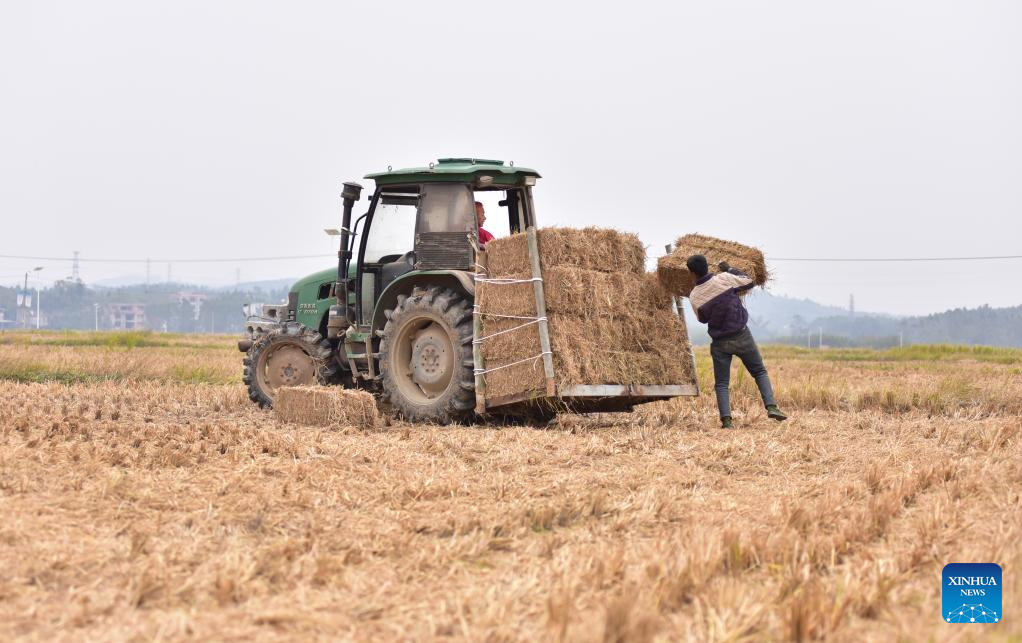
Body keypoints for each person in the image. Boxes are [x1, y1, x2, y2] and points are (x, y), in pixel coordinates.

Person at [687, 254, 788, 429]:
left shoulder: (694, 296)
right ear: (707, 266)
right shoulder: (724, 278)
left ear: (692, 273)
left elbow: (702, 319)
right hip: (742, 336)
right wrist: (729, 269)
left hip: (719, 343)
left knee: (721, 383)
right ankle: (771, 407)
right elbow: (749, 281)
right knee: (759, 372)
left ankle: (727, 421)